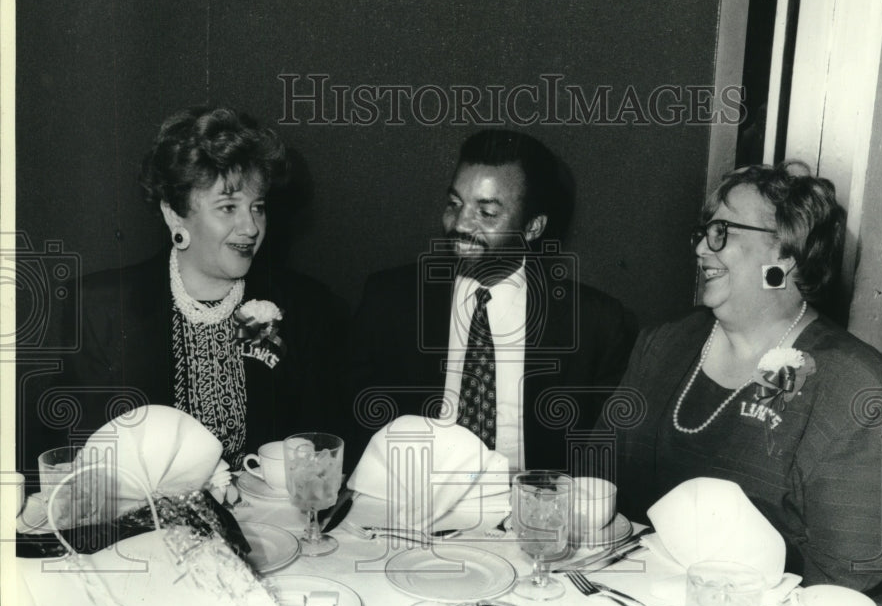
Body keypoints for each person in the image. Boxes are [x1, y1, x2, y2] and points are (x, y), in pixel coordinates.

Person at [608, 161, 882, 606]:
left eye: (721, 232)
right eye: (702, 231)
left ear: (786, 255)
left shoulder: (860, 391)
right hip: (627, 605)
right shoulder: (663, 346)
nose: (699, 248)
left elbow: (842, 584)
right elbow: (599, 484)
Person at [56, 105, 351, 471]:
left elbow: (325, 450)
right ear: (174, 214)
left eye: (258, 207)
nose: (251, 227)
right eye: (228, 207)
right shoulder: (100, 310)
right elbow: (81, 464)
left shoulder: (305, 306)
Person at [352, 129, 637, 474]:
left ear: (533, 227)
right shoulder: (390, 300)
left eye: (486, 213)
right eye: (454, 204)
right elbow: (357, 428)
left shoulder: (596, 325)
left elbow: (603, 461)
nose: (459, 225)